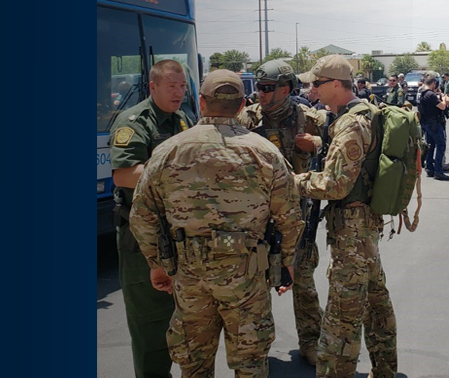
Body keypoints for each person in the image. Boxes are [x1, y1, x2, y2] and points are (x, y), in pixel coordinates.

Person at [128, 69, 305, 378]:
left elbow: (142, 216)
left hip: (189, 274)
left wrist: (156, 264)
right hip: (247, 275)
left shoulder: (167, 152)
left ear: (201, 102)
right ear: (241, 105)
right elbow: (289, 216)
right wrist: (285, 262)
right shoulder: (265, 152)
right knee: (251, 364)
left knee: (194, 365)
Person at [296, 54, 399, 378]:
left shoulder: (351, 123)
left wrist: (290, 181)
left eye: (317, 83)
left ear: (337, 85)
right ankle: (384, 370)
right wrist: (317, 143)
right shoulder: (361, 113)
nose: (312, 89)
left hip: (352, 231)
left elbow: (335, 185)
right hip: (364, 224)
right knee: (375, 300)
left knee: (342, 315)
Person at [238, 59, 328, 366]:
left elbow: (335, 153)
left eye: (266, 88)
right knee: (256, 285)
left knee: (303, 281)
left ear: (286, 89)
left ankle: (311, 341)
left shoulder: (310, 118)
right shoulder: (247, 118)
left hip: (296, 215)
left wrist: (315, 145)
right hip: (257, 216)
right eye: (258, 88)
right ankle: (258, 349)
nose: (260, 94)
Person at [109, 59, 194, 378]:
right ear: (153, 86)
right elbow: (123, 175)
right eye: (172, 86)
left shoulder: (183, 118)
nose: (178, 92)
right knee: (149, 324)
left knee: (184, 317)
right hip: (142, 239)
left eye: (182, 85)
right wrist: (176, 174)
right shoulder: (134, 121)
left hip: (179, 234)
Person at [418, 76, 449, 181]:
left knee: (431, 146)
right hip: (434, 123)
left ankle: (430, 168)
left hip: (427, 123)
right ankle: (438, 171)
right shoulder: (430, 94)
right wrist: (443, 97)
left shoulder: (422, 93)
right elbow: (442, 106)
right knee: (440, 145)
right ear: (433, 83)